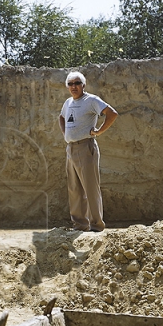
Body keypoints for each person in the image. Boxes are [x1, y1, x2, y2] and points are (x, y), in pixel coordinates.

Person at [59, 71, 118, 232]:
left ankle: (96, 226)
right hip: (71, 148)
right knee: (74, 189)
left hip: (86, 147)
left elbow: (112, 114)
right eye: (70, 84)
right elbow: (62, 117)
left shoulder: (91, 100)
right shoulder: (68, 102)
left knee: (90, 188)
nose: (73, 86)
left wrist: (98, 132)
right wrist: (66, 135)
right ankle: (80, 225)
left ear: (83, 85)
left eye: (77, 83)